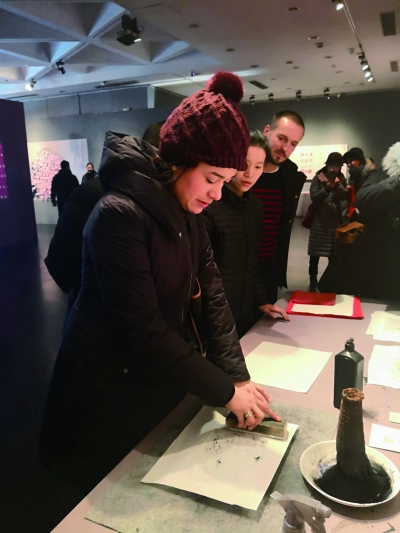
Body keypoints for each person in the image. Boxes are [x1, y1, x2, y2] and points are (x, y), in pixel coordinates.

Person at [38, 72, 280, 493]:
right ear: (179, 161)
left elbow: (213, 295)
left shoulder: (189, 212)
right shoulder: (118, 215)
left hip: (151, 378)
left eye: (224, 182)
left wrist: (237, 378)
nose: (217, 194)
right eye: (211, 178)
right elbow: (144, 330)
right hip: (104, 387)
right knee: (102, 494)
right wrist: (224, 391)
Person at [203, 130, 289, 338]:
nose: (250, 173)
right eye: (243, 164)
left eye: (258, 167)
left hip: (244, 311)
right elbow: (202, 272)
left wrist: (261, 300)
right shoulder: (210, 205)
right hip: (213, 315)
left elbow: (252, 262)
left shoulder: (254, 206)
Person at [252, 111, 306, 303]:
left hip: (269, 268)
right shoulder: (241, 171)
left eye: (293, 143)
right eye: (281, 138)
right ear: (267, 131)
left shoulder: (291, 179)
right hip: (234, 268)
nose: (285, 148)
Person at [307, 152, 348, 291]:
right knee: (315, 254)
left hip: (334, 220)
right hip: (320, 220)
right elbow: (314, 198)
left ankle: (330, 281)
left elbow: (344, 197)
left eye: (338, 166)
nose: (335, 168)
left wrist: (340, 188)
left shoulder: (341, 178)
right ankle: (313, 281)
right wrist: (327, 188)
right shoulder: (318, 178)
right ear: (327, 165)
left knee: (333, 253)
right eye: (332, 165)